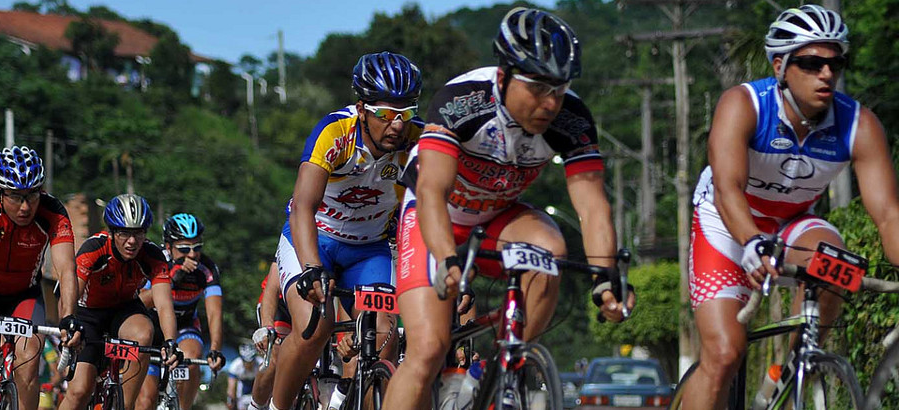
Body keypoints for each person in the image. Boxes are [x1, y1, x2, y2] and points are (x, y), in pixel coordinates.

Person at [383, 8, 635, 408]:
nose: (551, 102)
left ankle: (501, 365)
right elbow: (431, 191)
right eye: (537, 87)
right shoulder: (462, 102)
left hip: (497, 218)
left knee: (551, 249)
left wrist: (606, 277)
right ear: (504, 77)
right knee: (428, 349)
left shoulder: (572, 119)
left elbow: (593, 205)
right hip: (435, 216)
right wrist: (448, 257)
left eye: (560, 88)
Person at [681, 5, 899, 409]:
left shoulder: (859, 125)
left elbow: (889, 216)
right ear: (780, 65)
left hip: (791, 221)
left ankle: (787, 371)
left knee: (841, 266)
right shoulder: (744, 104)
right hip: (726, 224)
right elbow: (729, 189)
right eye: (812, 63)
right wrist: (750, 242)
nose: (827, 74)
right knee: (726, 353)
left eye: (836, 63)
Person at [269, 51, 423, 410]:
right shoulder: (336, 132)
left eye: (406, 113)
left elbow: (428, 209)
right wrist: (310, 269)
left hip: (369, 249)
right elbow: (303, 206)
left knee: (384, 338)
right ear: (362, 108)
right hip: (315, 238)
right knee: (314, 326)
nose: (397, 125)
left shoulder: (417, 142)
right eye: (386, 114)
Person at [0, 146, 82, 410]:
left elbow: (67, 269)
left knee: (29, 362)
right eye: (16, 197)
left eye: (32, 195)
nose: (25, 206)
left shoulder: (53, 211)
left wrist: (69, 316)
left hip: (24, 295)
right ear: (0, 191)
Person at [58, 194, 182, 410]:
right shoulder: (95, 248)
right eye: (124, 233)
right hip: (89, 313)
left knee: (144, 333)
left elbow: (164, 305)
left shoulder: (152, 255)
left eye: (139, 233)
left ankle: (124, 405)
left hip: (125, 310)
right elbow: (71, 293)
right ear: (112, 232)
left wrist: (171, 341)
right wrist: (68, 322)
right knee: (79, 391)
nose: (132, 241)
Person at [136, 213, 225, 410]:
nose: (192, 255)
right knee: (145, 401)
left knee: (191, 357)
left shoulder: (207, 269)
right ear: (169, 247)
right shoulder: (155, 261)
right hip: (152, 329)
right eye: (184, 249)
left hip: (184, 328)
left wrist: (215, 348)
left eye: (197, 248)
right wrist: (171, 279)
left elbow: (214, 313)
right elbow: (139, 302)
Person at [248, 263, 291, 410]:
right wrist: (266, 329)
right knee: (275, 357)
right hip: (280, 303)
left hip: (314, 305)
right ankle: (256, 406)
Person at [227, 344, 261, 410]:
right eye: (246, 362)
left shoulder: (260, 363)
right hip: (243, 387)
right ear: (242, 359)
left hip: (257, 386)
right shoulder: (235, 365)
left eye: (251, 362)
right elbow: (231, 387)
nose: (248, 365)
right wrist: (230, 401)